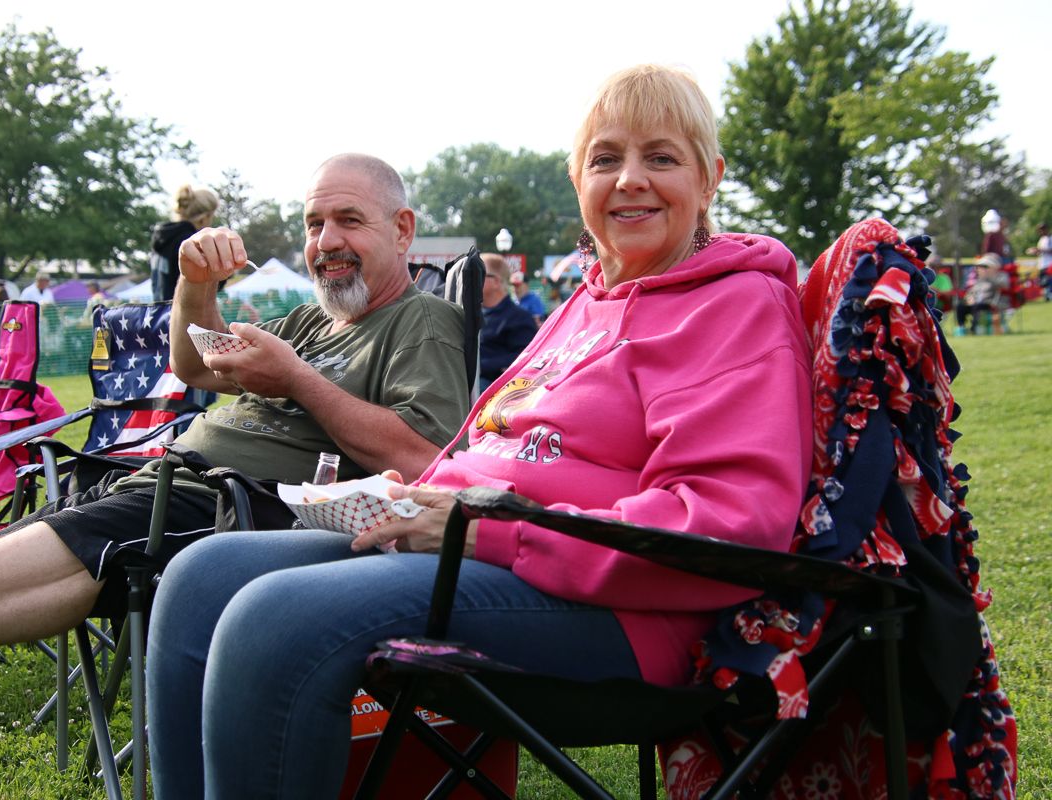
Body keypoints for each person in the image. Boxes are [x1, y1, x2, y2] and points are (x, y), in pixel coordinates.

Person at [147, 64, 812, 798]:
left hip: (628, 611)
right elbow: (496, 446)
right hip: (476, 552)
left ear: (709, 177)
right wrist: (411, 495)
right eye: (605, 159)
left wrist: (489, 526)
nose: (629, 180)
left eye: (661, 157)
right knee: (199, 576)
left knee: (273, 622)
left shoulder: (735, 307)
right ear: (577, 180)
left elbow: (729, 527)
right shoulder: (585, 303)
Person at [0, 153, 470, 749]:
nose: (326, 241)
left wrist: (297, 381)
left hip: (220, 511)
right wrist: (195, 285)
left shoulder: (422, 321)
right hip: (156, 485)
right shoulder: (311, 320)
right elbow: (194, 365)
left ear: (402, 229)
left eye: (349, 220)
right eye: (314, 224)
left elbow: (426, 461)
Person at [477, 253, 538, 391]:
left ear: (497, 282)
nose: (472, 279)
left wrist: (479, 366)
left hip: (496, 391)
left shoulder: (520, 318)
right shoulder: (472, 315)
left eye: (479, 274)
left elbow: (525, 360)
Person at [152, 184, 220, 302]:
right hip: (182, 315)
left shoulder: (162, 239)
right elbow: (202, 288)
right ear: (203, 218)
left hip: (158, 314)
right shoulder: (191, 243)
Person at [1027, 222, 1052, 300]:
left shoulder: (1050, 238)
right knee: (1043, 282)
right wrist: (1036, 251)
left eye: (1042, 230)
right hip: (1042, 264)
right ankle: (1047, 295)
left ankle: (1049, 295)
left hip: (1049, 264)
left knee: (1048, 281)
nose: (1041, 232)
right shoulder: (1041, 240)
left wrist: (1040, 250)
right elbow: (1041, 252)